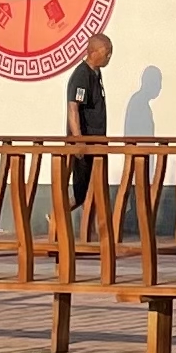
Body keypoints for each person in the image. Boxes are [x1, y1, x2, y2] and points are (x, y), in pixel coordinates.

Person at [63, 30, 114, 221]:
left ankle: (92, 229)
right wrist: (78, 141)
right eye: (106, 52)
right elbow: (73, 108)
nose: (109, 56)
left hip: (97, 142)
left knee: (95, 187)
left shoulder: (96, 74)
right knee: (81, 191)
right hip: (85, 143)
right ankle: (56, 217)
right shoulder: (81, 75)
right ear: (93, 52)